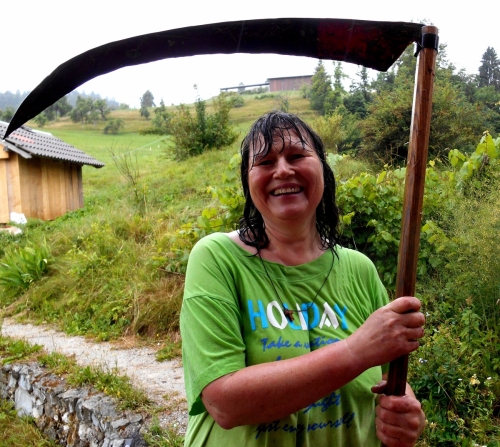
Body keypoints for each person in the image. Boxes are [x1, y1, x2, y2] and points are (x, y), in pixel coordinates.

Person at [180, 111, 426, 446]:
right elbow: (224, 402)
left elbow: (388, 374)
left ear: (323, 169)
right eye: (265, 162)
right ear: (247, 182)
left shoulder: (360, 269)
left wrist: (405, 411)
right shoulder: (217, 259)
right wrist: (355, 350)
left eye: (297, 156)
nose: (282, 170)